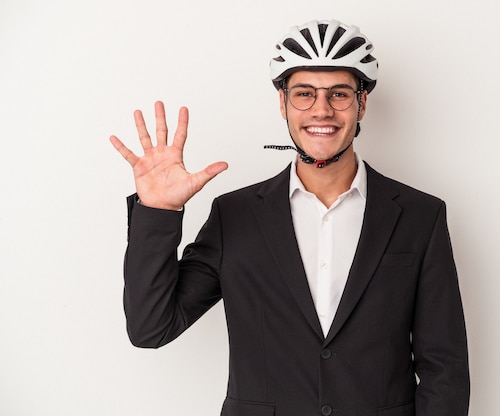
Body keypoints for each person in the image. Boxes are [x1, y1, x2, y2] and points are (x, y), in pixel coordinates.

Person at [110, 19, 469, 416]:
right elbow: (151, 328)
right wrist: (158, 212)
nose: (322, 110)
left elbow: (445, 369)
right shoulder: (235, 215)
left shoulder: (421, 216)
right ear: (282, 103)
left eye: (339, 94)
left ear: (362, 103)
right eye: (304, 94)